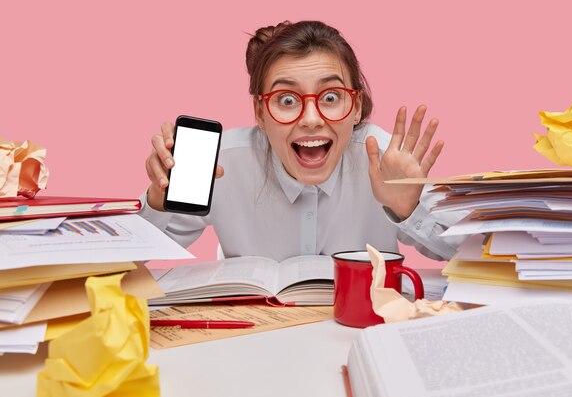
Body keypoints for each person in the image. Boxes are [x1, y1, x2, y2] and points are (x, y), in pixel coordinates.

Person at [139, 20, 465, 262]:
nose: (311, 119)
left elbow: (473, 256)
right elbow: (127, 264)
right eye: (287, 100)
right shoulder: (220, 163)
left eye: (331, 96)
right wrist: (157, 200)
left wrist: (407, 210)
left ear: (355, 108)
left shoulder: (384, 158)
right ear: (261, 112)